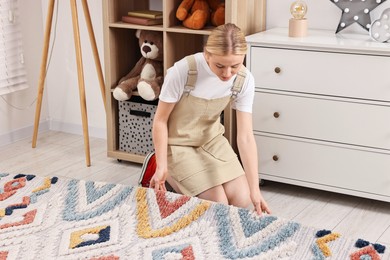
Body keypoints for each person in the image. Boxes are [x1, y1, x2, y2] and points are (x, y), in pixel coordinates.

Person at [149, 23, 271, 215]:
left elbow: (246, 136)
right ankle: (161, 168)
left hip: (211, 141)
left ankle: (188, 185)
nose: (227, 73)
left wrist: (255, 191)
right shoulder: (183, 71)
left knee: (242, 199)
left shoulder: (244, 80)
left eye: (235, 66)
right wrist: (162, 165)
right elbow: (160, 121)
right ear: (207, 54)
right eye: (220, 65)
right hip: (177, 145)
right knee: (218, 204)